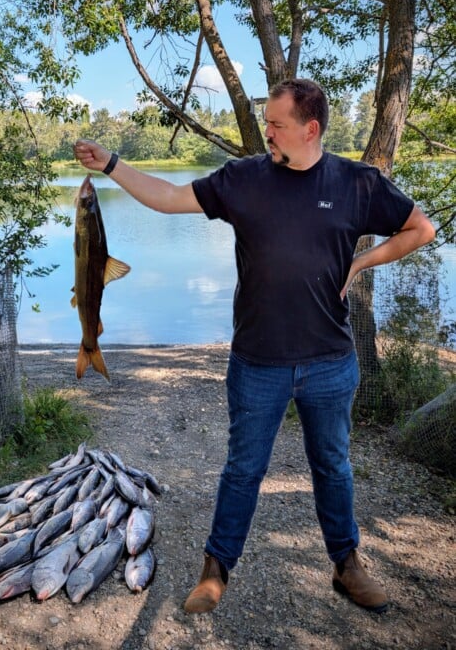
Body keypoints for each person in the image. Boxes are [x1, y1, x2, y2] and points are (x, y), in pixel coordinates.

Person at [73, 78, 436, 615]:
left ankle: (347, 563)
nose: (266, 132)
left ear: (310, 130)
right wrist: (111, 165)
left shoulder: (358, 183)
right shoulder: (244, 179)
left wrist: (362, 261)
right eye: (266, 121)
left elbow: (420, 228)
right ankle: (215, 570)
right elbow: (170, 199)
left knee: (333, 466)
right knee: (243, 469)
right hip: (257, 362)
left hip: (330, 362)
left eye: (277, 124)